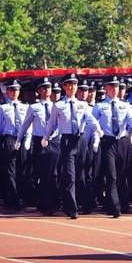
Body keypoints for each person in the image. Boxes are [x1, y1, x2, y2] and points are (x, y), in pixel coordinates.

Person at [42, 73, 102, 219]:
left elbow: (90, 118)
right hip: (67, 141)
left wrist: (97, 129)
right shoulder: (59, 105)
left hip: (80, 140)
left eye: (74, 84)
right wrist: (46, 136)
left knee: (79, 174)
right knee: (70, 175)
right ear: (64, 87)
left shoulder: (82, 104)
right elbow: (51, 124)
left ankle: (76, 201)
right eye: (69, 85)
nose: (72, 87)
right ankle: (72, 208)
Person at [92, 76, 132, 217]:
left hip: (123, 142)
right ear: (106, 88)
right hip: (108, 142)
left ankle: (121, 202)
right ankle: (114, 207)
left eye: (116, 87)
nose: (114, 89)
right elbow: (92, 123)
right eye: (111, 86)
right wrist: (95, 140)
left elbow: (131, 119)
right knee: (111, 176)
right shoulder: (99, 106)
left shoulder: (125, 105)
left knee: (122, 175)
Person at [0, 79, 31, 211]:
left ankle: (21, 196)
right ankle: (12, 199)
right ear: (7, 91)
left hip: (23, 139)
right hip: (9, 139)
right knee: (10, 171)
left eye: (16, 90)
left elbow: (29, 125)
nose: (14, 92)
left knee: (22, 170)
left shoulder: (25, 107)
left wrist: (28, 139)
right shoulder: (3, 108)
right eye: (11, 90)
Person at [17, 77, 55, 214]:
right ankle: (44, 202)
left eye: (48, 87)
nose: (46, 90)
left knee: (53, 174)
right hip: (39, 142)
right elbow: (25, 124)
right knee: (42, 174)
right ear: (39, 91)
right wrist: (19, 139)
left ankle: (52, 201)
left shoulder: (56, 106)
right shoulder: (34, 107)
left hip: (54, 141)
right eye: (43, 88)